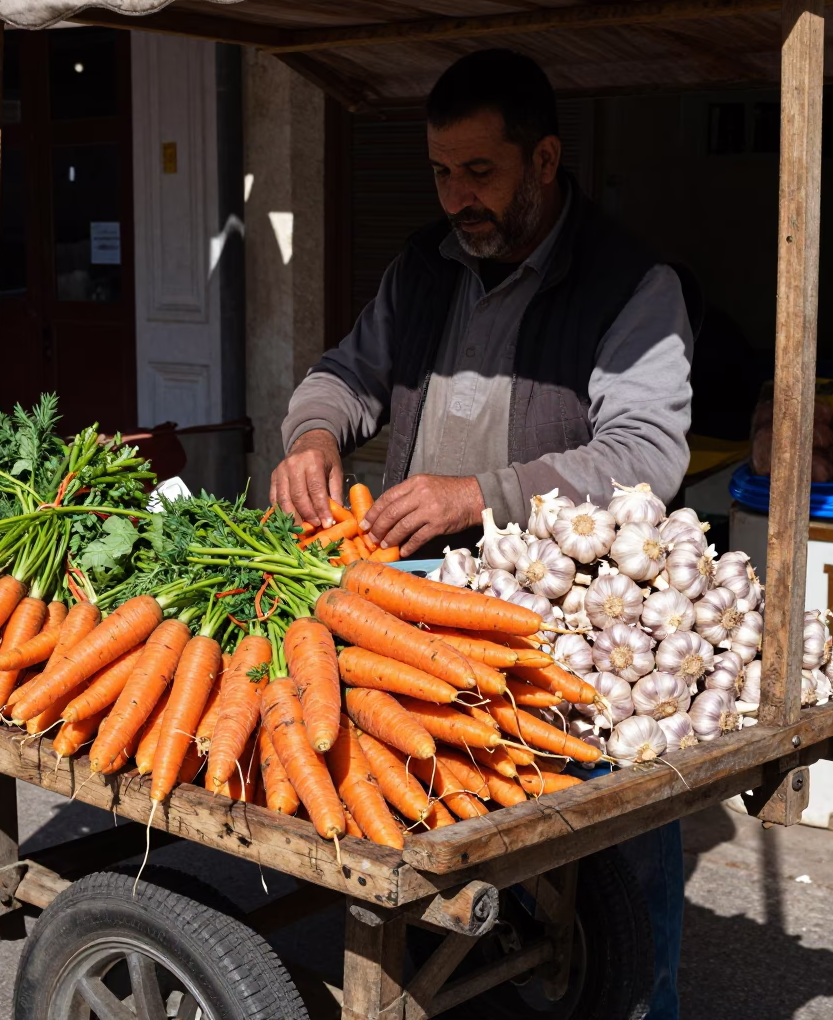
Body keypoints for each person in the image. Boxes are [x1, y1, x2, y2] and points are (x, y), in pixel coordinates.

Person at [270, 50, 697, 1018]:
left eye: (479, 173)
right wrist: (310, 433)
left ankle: (645, 1001)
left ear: (544, 160)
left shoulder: (633, 285)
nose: (455, 197)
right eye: (438, 173)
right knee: (454, 849)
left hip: (565, 630)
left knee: (617, 842)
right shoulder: (424, 269)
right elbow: (346, 371)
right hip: (417, 623)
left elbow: (644, 456)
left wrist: (480, 496)